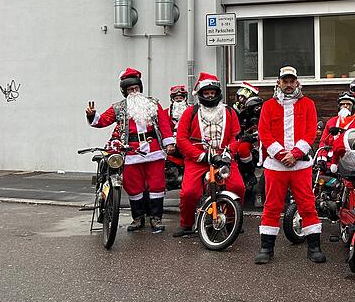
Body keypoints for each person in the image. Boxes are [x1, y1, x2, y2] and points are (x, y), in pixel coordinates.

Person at [85, 67, 175, 233]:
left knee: (156, 185)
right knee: (133, 186)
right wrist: (92, 115)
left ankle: (156, 218)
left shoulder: (153, 104)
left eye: (136, 88)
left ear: (140, 88)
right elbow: (102, 121)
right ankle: (138, 218)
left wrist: (169, 143)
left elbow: (164, 124)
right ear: (124, 91)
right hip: (131, 152)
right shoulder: (119, 108)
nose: (134, 92)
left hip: (153, 150)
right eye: (130, 89)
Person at [256, 66, 325, 264]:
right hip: (275, 166)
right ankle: (266, 248)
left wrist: (294, 154)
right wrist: (281, 154)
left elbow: (311, 131)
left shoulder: (308, 104)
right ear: (278, 82)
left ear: (297, 82)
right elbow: (264, 133)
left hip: (300, 165)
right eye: (284, 81)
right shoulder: (268, 106)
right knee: (271, 206)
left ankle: (314, 248)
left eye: (291, 81)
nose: (288, 84)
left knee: (307, 205)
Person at [173, 73, 247, 237]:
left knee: (237, 187)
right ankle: (186, 224)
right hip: (198, 160)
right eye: (206, 93)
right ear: (201, 94)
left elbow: (236, 136)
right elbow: (182, 139)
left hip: (224, 158)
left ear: (217, 93)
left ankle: (232, 220)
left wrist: (228, 154)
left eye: (212, 93)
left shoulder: (229, 111)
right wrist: (201, 156)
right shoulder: (189, 113)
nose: (210, 96)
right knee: (189, 193)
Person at [316, 91, 355, 172]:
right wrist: (322, 158)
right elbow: (323, 142)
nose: (345, 106)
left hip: (352, 162)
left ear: (354, 106)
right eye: (342, 104)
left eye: (348, 104)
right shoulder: (331, 122)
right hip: (330, 161)